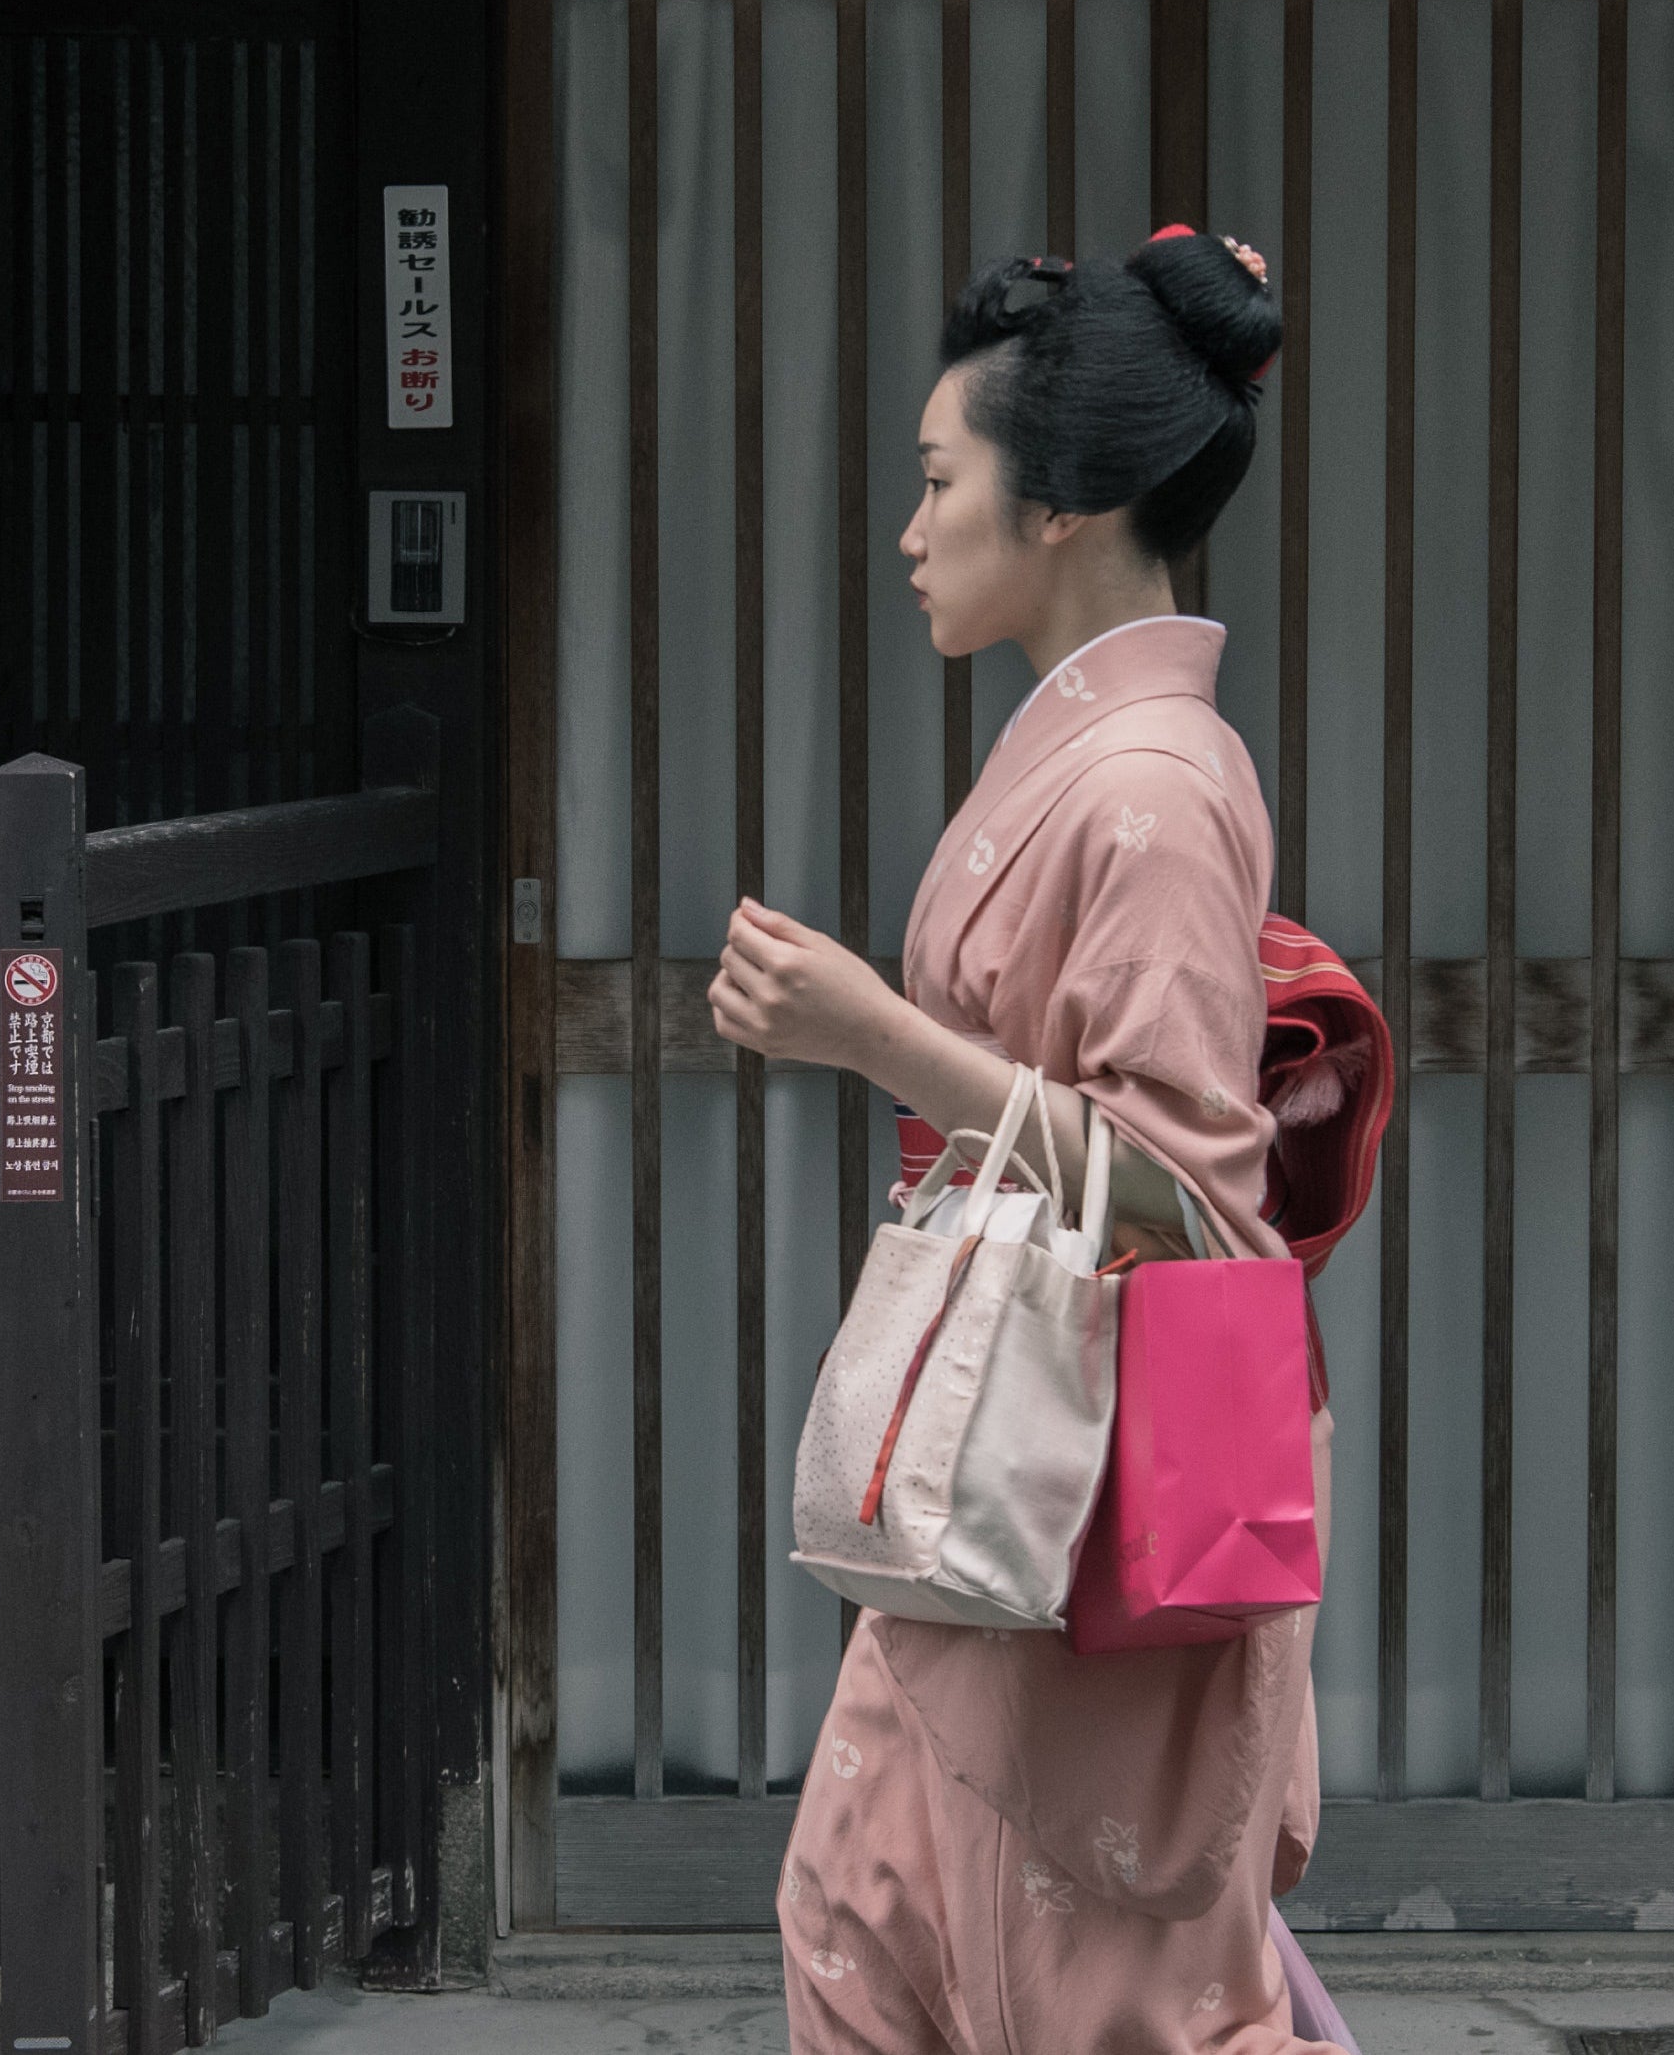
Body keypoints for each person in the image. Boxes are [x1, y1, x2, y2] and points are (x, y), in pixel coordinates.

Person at [710, 228, 1343, 2055]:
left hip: (1089, 1466)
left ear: (1058, 502)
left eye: (936, 481)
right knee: (875, 1915)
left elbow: (1200, 1194)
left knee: (1078, 1982)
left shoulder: (1146, 787)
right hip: (1015, 1457)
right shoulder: (1108, 757)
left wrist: (878, 1037)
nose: (910, 529)